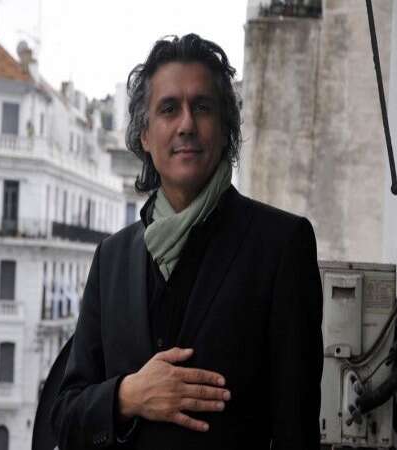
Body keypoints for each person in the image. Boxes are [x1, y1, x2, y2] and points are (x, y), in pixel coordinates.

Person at [45, 33, 323, 450]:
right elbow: (65, 415)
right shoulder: (112, 258)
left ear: (226, 129)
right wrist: (128, 395)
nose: (187, 124)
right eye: (169, 108)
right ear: (144, 134)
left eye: (203, 107)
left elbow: (296, 431)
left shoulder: (282, 245)